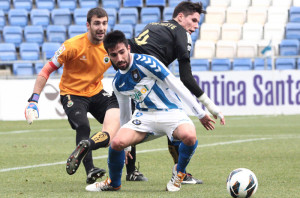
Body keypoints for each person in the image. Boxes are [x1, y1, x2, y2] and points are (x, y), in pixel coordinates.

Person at [85, 30, 216, 192]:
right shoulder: (118, 83)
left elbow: (176, 84)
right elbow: (125, 113)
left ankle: (179, 173)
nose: (119, 58)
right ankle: (113, 183)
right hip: (144, 117)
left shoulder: (147, 62)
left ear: (128, 48)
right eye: (114, 55)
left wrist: (201, 113)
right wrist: (126, 148)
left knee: (189, 136)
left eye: (121, 52)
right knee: (116, 143)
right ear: (108, 55)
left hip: (171, 112)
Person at [125, 1, 226, 184]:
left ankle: (129, 171)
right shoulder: (181, 33)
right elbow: (186, 78)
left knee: (128, 124)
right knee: (176, 119)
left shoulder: (154, 25)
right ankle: (181, 173)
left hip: (131, 79)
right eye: (193, 20)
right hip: (151, 80)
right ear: (180, 17)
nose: (196, 26)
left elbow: (132, 46)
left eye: (198, 22)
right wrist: (210, 107)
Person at [24, 7, 120, 184]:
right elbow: (46, 70)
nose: (101, 28)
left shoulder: (110, 47)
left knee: (122, 118)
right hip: (72, 94)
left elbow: (124, 67)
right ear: (88, 25)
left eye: (104, 23)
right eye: (97, 23)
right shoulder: (72, 46)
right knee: (83, 126)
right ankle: (90, 170)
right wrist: (33, 100)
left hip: (97, 92)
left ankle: (131, 171)